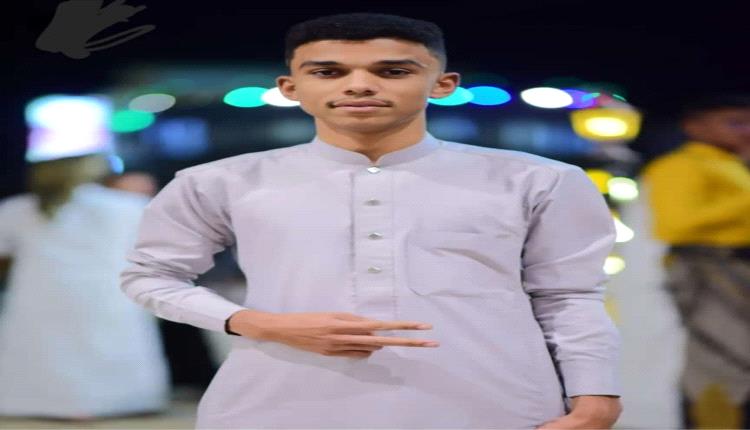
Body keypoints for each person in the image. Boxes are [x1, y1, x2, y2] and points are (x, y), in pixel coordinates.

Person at [120, 12, 622, 429]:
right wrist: (259, 323)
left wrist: (596, 395)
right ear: (291, 87)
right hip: (276, 404)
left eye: (393, 71)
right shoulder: (219, 182)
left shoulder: (539, 180)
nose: (359, 85)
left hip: (493, 403)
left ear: (442, 84)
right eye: (328, 72)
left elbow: (569, 296)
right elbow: (150, 276)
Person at [0, 153, 170, 420]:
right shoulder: (129, 205)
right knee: (109, 346)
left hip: (41, 295)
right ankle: (118, 401)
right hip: (108, 293)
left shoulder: (18, 208)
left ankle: (50, 403)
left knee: (46, 350)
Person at [640, 94, 750, 428]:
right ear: (694, 126)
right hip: (709, 272)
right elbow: (675, 225)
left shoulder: (733, 165)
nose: (746, 130)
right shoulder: (678, 166)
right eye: (734, 122)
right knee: (723, 359)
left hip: (736, 273)